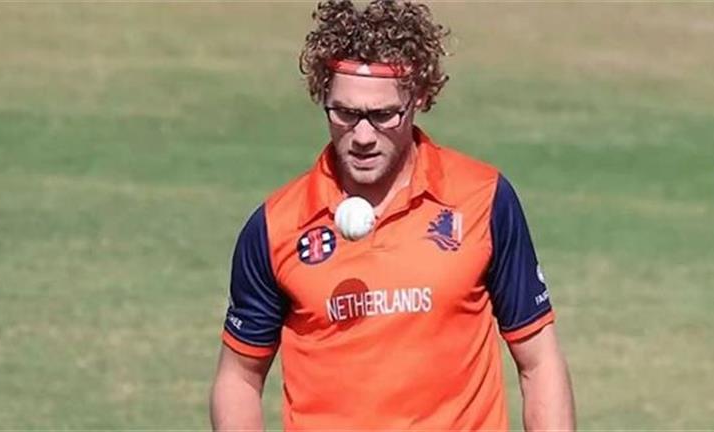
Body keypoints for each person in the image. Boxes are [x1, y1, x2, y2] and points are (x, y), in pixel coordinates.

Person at [210, 0, 576, 430]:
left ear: (417, 97)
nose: (363, 135)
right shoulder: (276, 226)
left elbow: (539, 360)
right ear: (323, 97)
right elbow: (239, 378)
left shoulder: (483, 199)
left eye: (383, 115)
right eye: (345, 113)